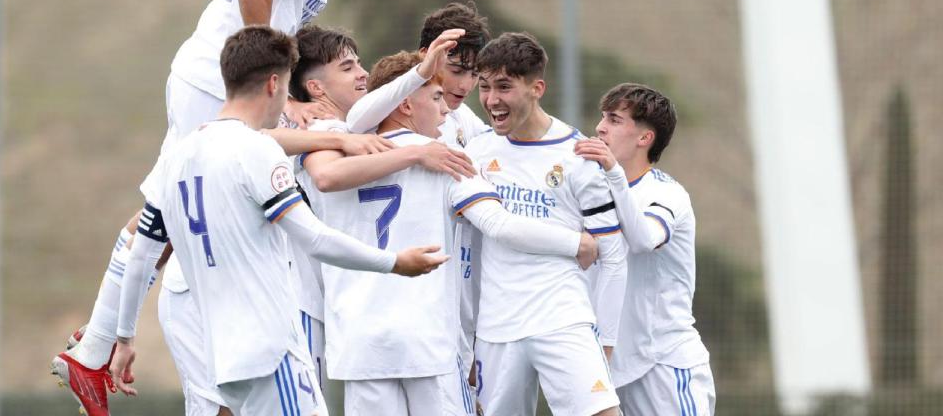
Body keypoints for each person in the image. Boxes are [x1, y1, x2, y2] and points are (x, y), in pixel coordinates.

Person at [51, 0, 433, 416]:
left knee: (167, 209)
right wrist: (272, 74)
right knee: (168, 209)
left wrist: (286, 97)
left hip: (207, 77)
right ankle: (97, 347)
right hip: (213, 81)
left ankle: (99, 344)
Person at [106, 25, 448, 416]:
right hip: (271, 352)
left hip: (224, 359)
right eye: (287, 86)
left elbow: (140, 255)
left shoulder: (178, 158)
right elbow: (315, 238)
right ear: (273, 83)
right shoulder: (255, 151)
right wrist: (394, 263)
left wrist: (124, 336)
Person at [304, 50, 599, 416]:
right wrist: (577, 243)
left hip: (359, 343)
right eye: (437, 98)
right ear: (406, 105)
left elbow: (323, 174)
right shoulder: (445, 157)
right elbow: (499, 224)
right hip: (427, 344)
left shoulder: (333, 149)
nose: (446, 111)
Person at [468, 32, 626, 416]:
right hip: (496, 327)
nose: (491, 100)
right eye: (485, 87)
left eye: (504, 87)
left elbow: (613, 255)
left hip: (562, 318)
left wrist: (604, 340)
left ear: (536, 87)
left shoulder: (578, 156)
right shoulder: (475, 152)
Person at [343, 1, 492, 380]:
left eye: (474, 74)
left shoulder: (466, 124)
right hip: (402, 291)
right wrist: (416, 152)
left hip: (457, 275)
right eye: (456, 70)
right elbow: (356, 120)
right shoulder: (396, 104)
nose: (464, 85)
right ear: (429, 56)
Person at [574, 83, 715, 415]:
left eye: (614, 119)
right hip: (609, 371)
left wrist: (613, 173)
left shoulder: (667, 194)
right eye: (602, 117)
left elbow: (642, 239)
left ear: (644, 138)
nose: (600, 127)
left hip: (665, 366)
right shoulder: (589, 188)